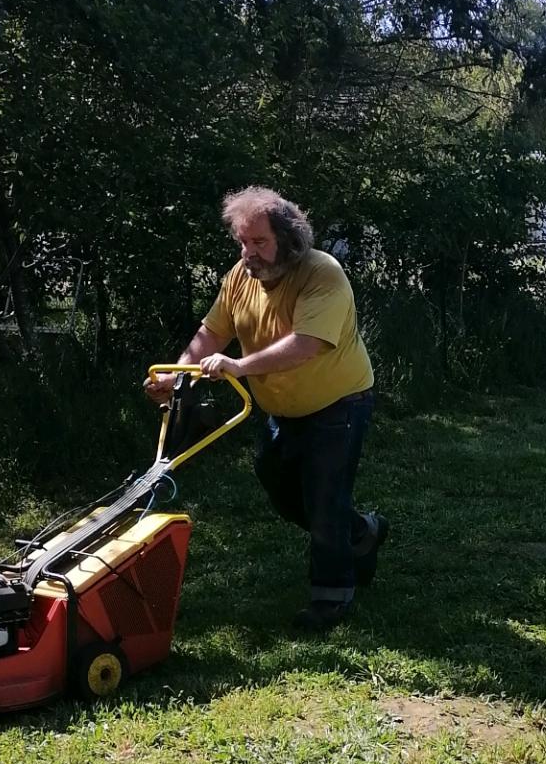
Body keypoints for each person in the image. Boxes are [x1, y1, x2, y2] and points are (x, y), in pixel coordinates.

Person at [147, 188, 387, 631]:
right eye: (242, 242)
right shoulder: (239, 276)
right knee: (278, 485)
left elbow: (306, 345)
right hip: (283, 409)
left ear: (288, 240)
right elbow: (210, 333)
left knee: (323, 496)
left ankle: (330, 597)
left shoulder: (322, 274)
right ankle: (359, 532)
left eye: (259, 242)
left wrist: (238, 366)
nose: (248, 253)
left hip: (340, 402)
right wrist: (178, 375)